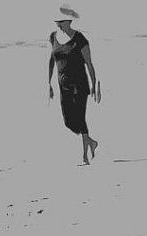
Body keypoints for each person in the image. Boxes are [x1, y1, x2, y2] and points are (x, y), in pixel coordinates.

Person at [47, 7, 100, 165]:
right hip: (63, 86)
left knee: (80, 118)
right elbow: (52, 59)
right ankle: (90, 141)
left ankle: (84, 156)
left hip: (80, 85)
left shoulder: (80, 39)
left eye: (61, 22)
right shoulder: (53, 37)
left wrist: (94, 84)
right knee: (68, 121)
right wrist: (49, 83)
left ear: (69, 21)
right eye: (57, 22)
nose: (58, 25)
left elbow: (89, 63)